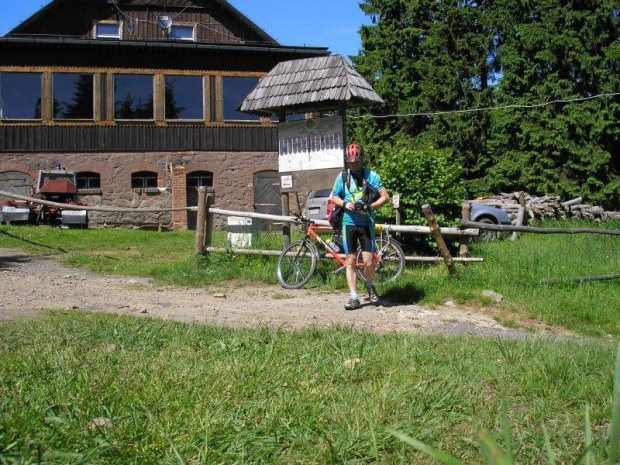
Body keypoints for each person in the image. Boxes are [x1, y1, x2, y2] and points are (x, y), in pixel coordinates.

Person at [329, 142, 390, 310]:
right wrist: (345, 204)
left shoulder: (372, 176)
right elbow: (334, 197)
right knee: (350, 260)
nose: (353, 165)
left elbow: (385, 197)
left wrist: (370, 207)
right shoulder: (342, 177)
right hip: (348, 224)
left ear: (362, 159)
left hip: (366, 223)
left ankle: (370, 284)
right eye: (350, 162)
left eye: (356, 161)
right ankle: (354, 296)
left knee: (369, 261)